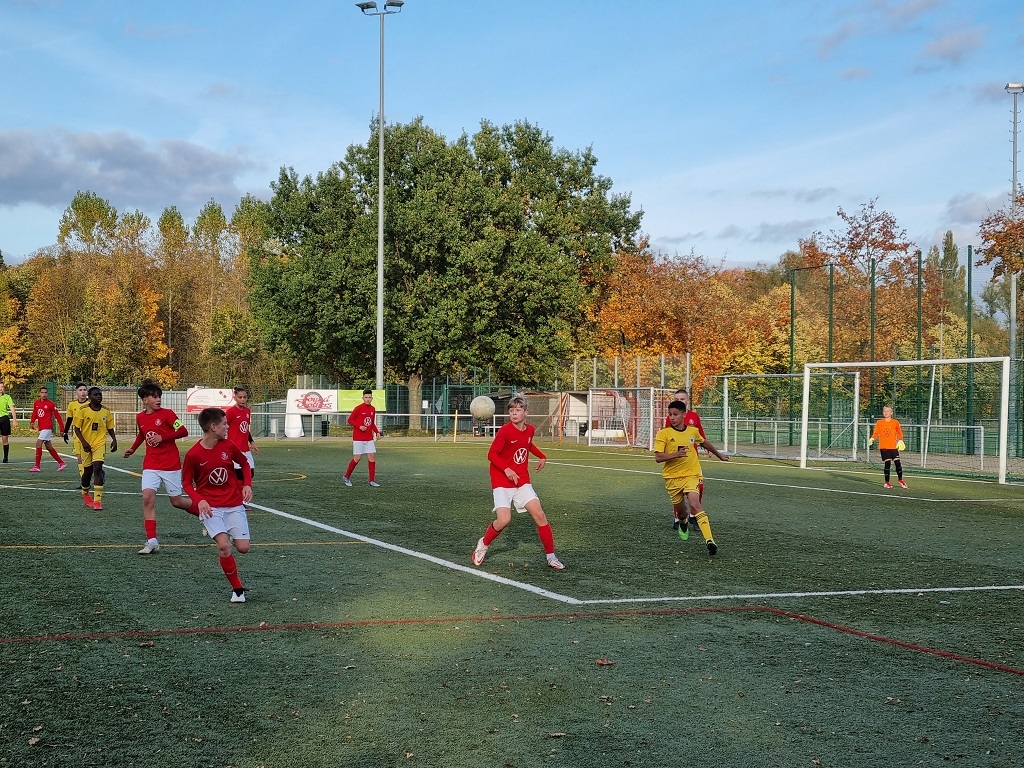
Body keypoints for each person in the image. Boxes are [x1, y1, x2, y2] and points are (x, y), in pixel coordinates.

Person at [472, 395, 565, 570]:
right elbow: (492, 454)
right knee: (504, 520)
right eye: (511, 410)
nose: (514, 413)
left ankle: (551, 557)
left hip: (521, 480)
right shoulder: (505, 431)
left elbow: (527, 444)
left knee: (539, 514)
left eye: (518, 410)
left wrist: (541, 456)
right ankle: (483, 544)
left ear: (526, 412)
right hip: (501, 481)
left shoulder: (529, 430)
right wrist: (507, 469)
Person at [181, 407, 253, 603]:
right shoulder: (194, 454)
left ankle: (222, 529)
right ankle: (238, 590)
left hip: (234, 504)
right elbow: (186, 483)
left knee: (243, 548)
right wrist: (199, 500)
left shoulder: (228, 446)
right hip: (211, 509)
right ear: (213, 427)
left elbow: (245, 464)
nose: (227, 427)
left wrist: (247, 484)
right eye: (224, 424)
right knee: (224, 546)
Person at [123, 379, 196, 555]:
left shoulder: (168, 414)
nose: (158, 400)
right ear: (145, 400)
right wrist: (133, 449)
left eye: (159, 396)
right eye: (154, 397)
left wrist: (163, 438)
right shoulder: (140, 417)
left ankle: (204, 512)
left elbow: (183, 431)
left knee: (177, 502)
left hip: (170, 465)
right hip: (151, 464)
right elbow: (142, 435)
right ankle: (152, 541)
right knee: (147, 498)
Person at [654, 400, 729, 556]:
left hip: (691, 475)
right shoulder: (663, 433)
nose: (672, 417)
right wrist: (676, 454)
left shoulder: (692, 431)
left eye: (675, 414)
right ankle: (683, 522)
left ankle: (710, 541)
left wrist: (719, 454)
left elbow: (704, 443)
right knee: (682, 513)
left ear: (684, 415)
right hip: (672, 478)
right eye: (670, 414)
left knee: (695, 504)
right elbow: (658, 457)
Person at [663, 388, 707, 533]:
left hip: (692, 460)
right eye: (676, 399)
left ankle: (694, 515)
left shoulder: (694, 416)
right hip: (677, 460)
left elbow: (701, 434)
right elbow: (667, 436)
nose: (679, 401)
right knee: (678, 491)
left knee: (699, 487)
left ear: (687, 401)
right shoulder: (672, 418)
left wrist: (707, 448)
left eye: (682, 399)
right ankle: (678, 517)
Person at [73, 387, 117, 509]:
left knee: (98, 468)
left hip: (100, 444)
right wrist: (84, 443)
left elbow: (109, 427)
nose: (98, 396)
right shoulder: (83, 410)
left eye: (100, 394)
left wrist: (114, 440)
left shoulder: (106, 411)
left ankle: (97, 501)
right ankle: (85, 493)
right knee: (87, 472)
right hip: (86, 444)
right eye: (95, 394)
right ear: (89, 396)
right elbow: (77, 428)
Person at [344, 389, 381, 487]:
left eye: (369, 397)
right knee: (357, 458)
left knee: (372, 457)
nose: (368, 399)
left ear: (372, 398)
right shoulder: (358, 408)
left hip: (369, 438)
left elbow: (371, 423)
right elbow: (350, 420)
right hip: (358, 438)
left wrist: (377, 432)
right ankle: (347, 476)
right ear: (363, 398)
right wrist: (359, 426)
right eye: (366, 397)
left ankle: (371, 481)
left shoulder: (372, 409)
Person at [224, 386, 259, 481]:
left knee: (250, 473)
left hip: (245, 449)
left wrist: (252, 442)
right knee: (238, 475)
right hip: (235, 449)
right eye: (240, 397)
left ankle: (244, 490)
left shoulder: (247, 411)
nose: (243, 399)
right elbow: (223, 427)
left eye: (245, 397)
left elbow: (246, 429)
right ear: (235, 397)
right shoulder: (230, 412)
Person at [869, 405, 908, 489]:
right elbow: (876, 433)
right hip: (884, 447)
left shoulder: (895, 422)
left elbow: (899, 432)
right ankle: (887, 482)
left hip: (893, 446)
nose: (886, 413)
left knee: (897, 462)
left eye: (888, 411)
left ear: (891, 412)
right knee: (887, 463)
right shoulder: (879, 422)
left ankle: (900, 480)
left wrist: (900, 440)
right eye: (884, 411)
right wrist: (872, 438)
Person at [29, 386, 67, 472]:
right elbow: (35, 413)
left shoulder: (51, 404)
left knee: (38, 443)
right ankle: (61, 463)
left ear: (47, 394)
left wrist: (62, 429)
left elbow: (58, 416)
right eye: (42, 392)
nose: (44, 394)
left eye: (45, 392)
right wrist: (32, 422)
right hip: (42, 428)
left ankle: (37, 466)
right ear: (39, 393)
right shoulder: (36, 403)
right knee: (49, 447)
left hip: (47, 427)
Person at [62, 383, 90, 479]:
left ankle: (96, 473)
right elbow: (69, 419)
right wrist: (65, 432)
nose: (83, 392)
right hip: (77, 434)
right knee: (79, 456)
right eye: (80, 390)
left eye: (84, 390)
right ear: (76, 392)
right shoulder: (72, 404)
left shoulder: (90, 404)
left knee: (89, 457)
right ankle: (84, 479)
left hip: (89, 434)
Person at [0, 381, 17, 463]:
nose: (0, 389)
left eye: (2, 387)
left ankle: (5, 457)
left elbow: (12, 408)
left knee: (5, 439)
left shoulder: (7, 397)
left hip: (4, 419)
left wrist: (14, 420)